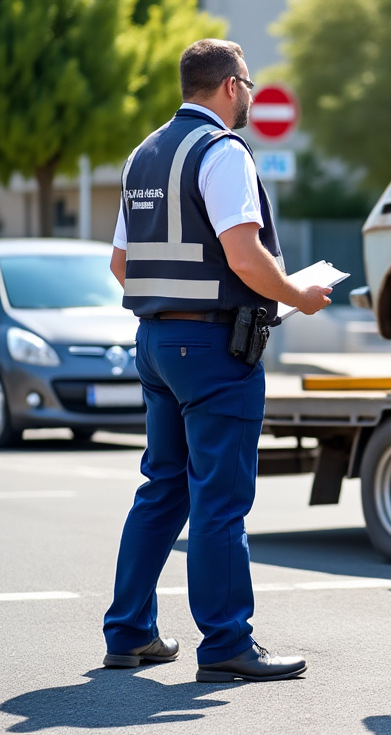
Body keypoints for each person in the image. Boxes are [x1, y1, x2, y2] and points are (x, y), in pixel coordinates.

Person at [102, 38, 331, 683]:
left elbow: (121, 264)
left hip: (156, 343)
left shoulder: (143, 155)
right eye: (250, 83)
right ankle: (227, 644)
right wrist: (299, 296)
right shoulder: (222, 152)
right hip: (212, 350)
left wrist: (172, 306)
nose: (252, 94)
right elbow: (245, 257)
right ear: (230, 85)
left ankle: (129, 634)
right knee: (220, 500)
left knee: (163, 488)